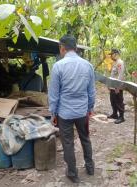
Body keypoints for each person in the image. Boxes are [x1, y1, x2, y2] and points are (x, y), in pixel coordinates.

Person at [48, 35, 95, 183]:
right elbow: (91, 92)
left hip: (65, 113)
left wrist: (53, 113)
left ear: (62, 48)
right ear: (75, 48)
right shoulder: (88, 65)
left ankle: (73, 173)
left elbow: (54, 94)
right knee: (85, 139)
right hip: (82, 112)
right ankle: (90, 167)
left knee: (67, 143)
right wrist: (90, 108)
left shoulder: (58, 66)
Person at [107, 49, 125, 124]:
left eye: (111, 54)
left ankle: (121, 117)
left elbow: (120, 75)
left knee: (119, 101)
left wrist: (117, 87)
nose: (111, 56)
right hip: (112, 86)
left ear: (116, 54)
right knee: (113, 101)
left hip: (117, 87)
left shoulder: (120, 62)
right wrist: (109, 85)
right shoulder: (114, 63)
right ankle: (115, 114)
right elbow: (113, 75)